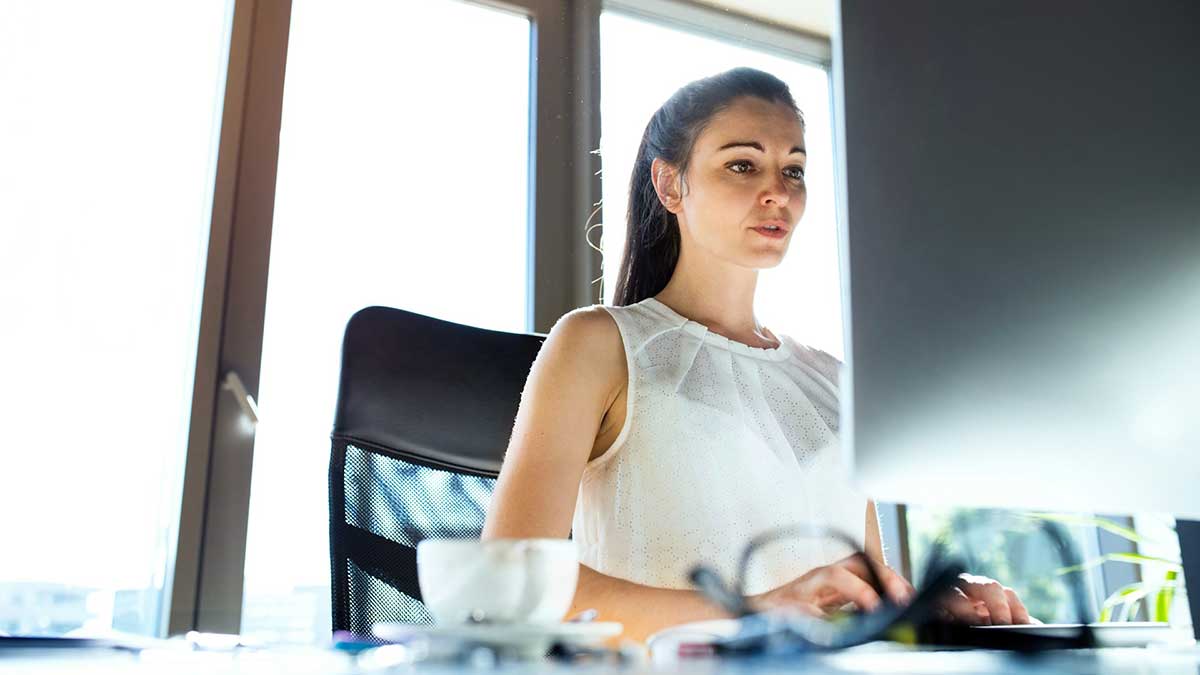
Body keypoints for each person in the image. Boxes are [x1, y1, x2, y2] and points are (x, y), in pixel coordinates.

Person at [483, 67, 1033, 642]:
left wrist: (927, 605)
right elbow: (507, 580)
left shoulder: (836, 381)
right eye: (742, 164)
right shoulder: (599, 344)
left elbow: (864, 591)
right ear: (671, 185)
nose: (779, 191)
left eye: (793, 169)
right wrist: (758, 610)